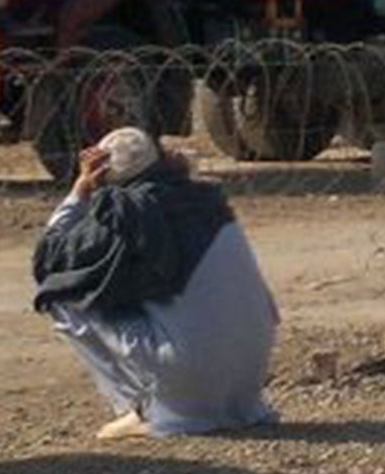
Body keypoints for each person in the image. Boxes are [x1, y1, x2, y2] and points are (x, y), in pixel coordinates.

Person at [33, 128, 278, 439]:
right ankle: (210, 405)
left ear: (105, 176)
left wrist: (80, 192)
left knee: (63, 293)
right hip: (250, 381)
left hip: (192, 374)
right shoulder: (207, 202)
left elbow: (49, 258)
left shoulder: (127, 211)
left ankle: (145, 410)